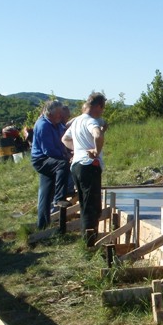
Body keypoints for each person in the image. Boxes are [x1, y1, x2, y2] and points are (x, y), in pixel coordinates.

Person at [62, 92, 107, 246]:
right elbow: (97, 134)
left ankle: (87, 239)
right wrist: (96, 150)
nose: (102, 112)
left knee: (85, 203)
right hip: (89, 166)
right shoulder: (90, 122)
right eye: (102, 109)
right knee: (91, 206)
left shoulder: (77, 121)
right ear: (98, 106)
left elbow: (65, 139)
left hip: (76, 166)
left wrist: (77, 150)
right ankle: (88, 243)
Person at [31, 99, 71, 230]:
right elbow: (49, 151)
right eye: (59, 114)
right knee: (62, 165)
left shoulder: (56, 123)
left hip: (49, 159)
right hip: (42, 160)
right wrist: (66, 157)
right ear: (50, 113)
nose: (61, 116)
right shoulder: (43, 125)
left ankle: (42, 225)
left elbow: (64, 136)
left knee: (45, 192)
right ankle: (59, 198)